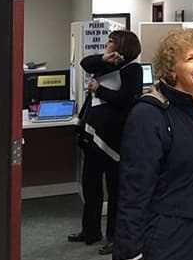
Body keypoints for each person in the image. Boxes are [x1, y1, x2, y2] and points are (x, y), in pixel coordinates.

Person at [113, 28, 193, 260]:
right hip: (170, 239)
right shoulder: (149, 114)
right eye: (190, 59)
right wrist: (130, 251)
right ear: (171, 70)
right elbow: (134, 190)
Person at [69, 30, 143, 255]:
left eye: (111, 41)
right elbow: (85, 62)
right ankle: (90, 231)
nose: (107, 44)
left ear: (122, 45)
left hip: (114, 138)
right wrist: (103, 59)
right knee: (90, 186)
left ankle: (115, 236)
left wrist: (98, 89)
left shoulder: (133, 69)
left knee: (115, 190)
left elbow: (127, 99)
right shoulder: (106, 64)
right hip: (92, 135)